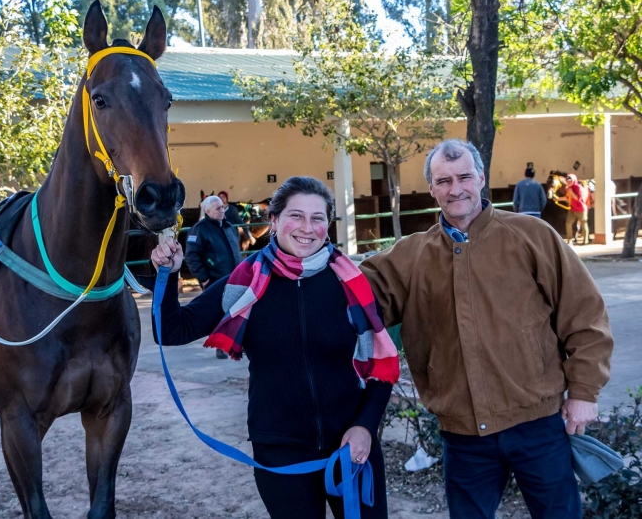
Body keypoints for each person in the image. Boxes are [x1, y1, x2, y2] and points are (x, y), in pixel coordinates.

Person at [360, 139, 614, 519]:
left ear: (481, 178)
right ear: (432, 188)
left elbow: (585, 315)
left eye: (464, 177)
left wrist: (584, 391)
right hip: (463, 436)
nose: (455, 188)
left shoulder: (533, 236)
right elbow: (353, 293)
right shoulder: (411, 255)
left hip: (537, 424)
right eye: (443, 181)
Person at [151, 177, 399, 518]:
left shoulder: (352, 284)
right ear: (274, 221)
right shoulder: (244, 282)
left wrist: (365, 426)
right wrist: (167, 276)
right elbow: (171, 330)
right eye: (295, 216)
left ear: (327, 226)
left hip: (351, 445)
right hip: (280, 452)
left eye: (317, 218)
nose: (306, 228)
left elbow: (382, 368)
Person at [186, 195, 244, 359]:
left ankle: (237, 343)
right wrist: (204, 278)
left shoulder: (229, 226)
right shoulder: (200, 229)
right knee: (218, 314)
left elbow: (236, 249)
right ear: (207, 211)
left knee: (238, 311)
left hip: (234, 277)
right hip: (215, 280)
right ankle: (220, 346)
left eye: (222, 207)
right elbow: (192, 256)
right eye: (218, 208)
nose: (222, 210)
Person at [557, 173, 590, 245]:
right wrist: (558, 199)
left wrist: (571, 192)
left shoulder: (578, 188)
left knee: (584, 224)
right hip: (572, 209)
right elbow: (567, 197)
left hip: (581, 209)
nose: (568, 182)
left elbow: (578, 199)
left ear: (574, 180)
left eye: (570, 181)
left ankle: (585, 240)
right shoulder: (567, 188)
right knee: (568, 223)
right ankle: (570, 240)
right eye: (567, 181)